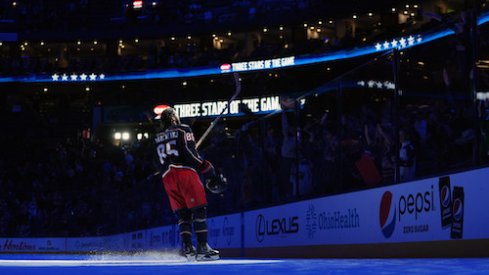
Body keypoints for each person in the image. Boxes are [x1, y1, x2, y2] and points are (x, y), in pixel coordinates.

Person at [154, 107, 219, 261]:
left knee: (183, 215)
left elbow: (157, 162)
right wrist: (206, 167)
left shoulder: (157, 137)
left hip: (167, 178)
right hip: (184, 173)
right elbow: (190, 154)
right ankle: (203, 249)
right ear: (174, 117)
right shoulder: (184, 129)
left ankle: (188, 249)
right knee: (199, 210)